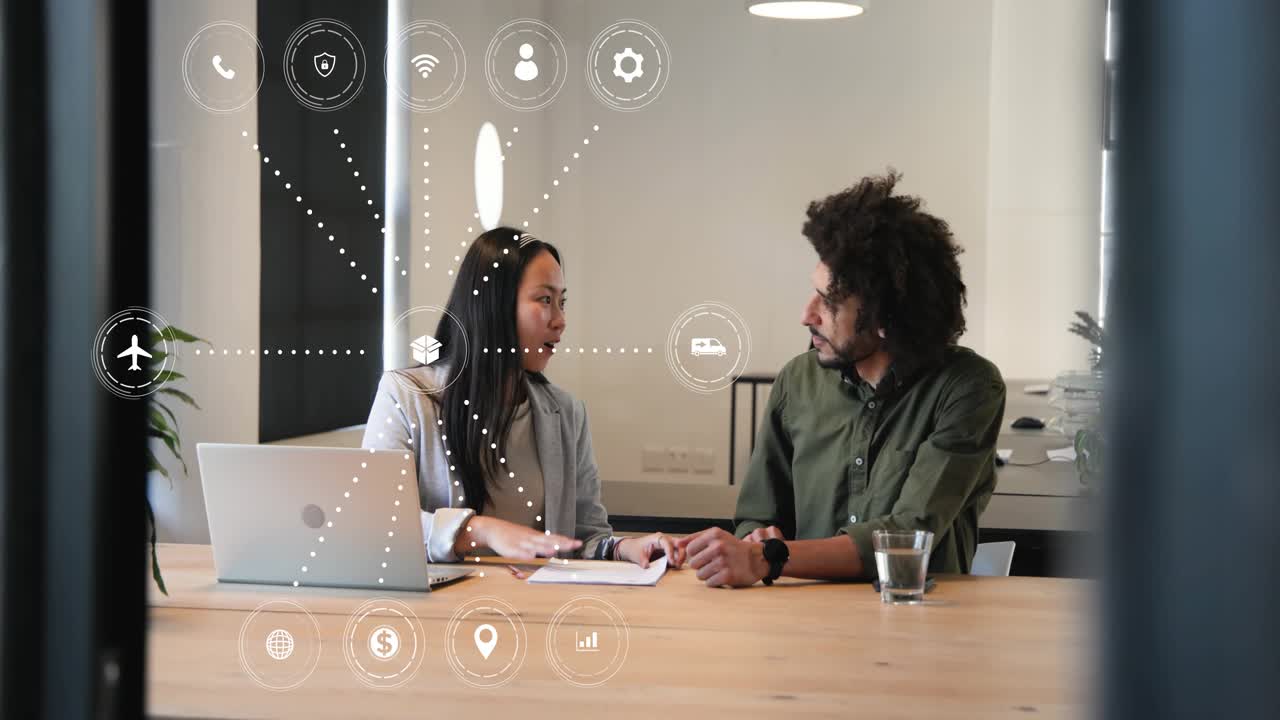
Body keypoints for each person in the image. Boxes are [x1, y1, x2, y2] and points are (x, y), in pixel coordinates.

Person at [677, 171, 1006, 587]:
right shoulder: (797, 381)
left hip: (918, 622)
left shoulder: (967, 388)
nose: (807, 314)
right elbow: (758, 514)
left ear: (885, 318)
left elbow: (907, 534)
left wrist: (768, 558)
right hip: (806, 623)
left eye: (829, 302)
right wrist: (757, 537)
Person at [363, 227, 681, 567]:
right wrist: (481, 531)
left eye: (562, 302)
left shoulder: (567, 413)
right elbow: (374, 522)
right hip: (436, 613)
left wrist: (624, 548)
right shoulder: (405, 396)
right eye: (545, 300)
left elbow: (585, 537)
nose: (560, 320)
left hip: (535, 609)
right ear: (494, 305)